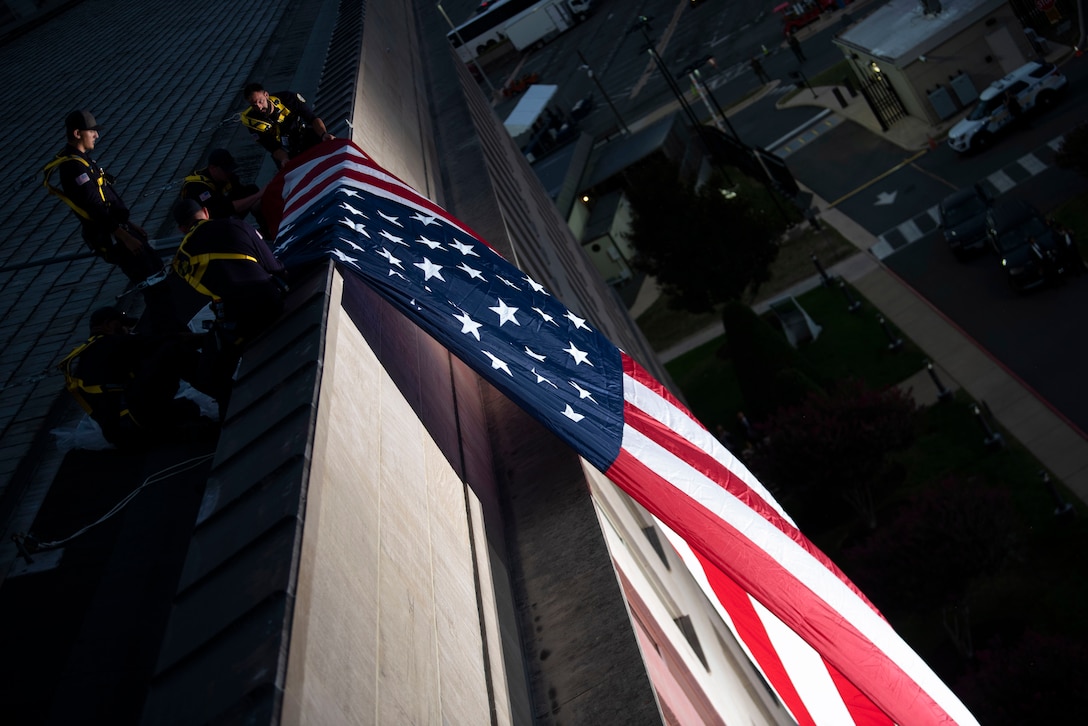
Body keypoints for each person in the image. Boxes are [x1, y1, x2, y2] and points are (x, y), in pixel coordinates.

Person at [170, 198, 288, 412]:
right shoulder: (238, 225)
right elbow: (275, 267)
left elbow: (209, 294)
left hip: (241, 322)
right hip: (271, 303)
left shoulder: (181, 259)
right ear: (206, 211)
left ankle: (237, 410)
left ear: (181, 228)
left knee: (211, 374)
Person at [43, 111, 165, 286]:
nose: (96, 135)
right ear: (77, 134)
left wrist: (129, 225)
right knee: (153, 282)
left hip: (120, 231)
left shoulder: (82, 161)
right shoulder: (74, 167)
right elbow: (95, 208)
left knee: (157, 271)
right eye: (91, 131)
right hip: (115, 237)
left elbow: (105, 199)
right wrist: (126, 237)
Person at [57, 306, 207, 448]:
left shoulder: (91, 352)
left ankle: (171, 429)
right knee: (171, 350)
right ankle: (218, 387)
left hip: (121, 432)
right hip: (132, 423)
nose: (127, 330)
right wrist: (207, 338)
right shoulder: (112, 343)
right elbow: (162, 341)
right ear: (108, 325)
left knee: (188, 408)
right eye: (122, 325)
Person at [240, 82, 334, 169]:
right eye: (254, 105)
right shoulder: (253, 122)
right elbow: (273, 148)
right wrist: (284, 159)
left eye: (260, 101)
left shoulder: (288, 99)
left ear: (266, 95)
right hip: (286, 151)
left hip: (304, 136)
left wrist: (323, 134)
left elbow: (312, 118)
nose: (259, 107)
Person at [180, 148, 265, 228]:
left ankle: (266, 230)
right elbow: (221, 210)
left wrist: (256, 198)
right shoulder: (197, 187)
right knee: (254, 197)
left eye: (230, 169)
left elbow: (240, 192)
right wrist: (257, 196)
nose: (228, 172)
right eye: (225, 170)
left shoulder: (226, 177)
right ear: (212, 168)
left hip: (225, 211)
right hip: (208, 224)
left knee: (251, 191)